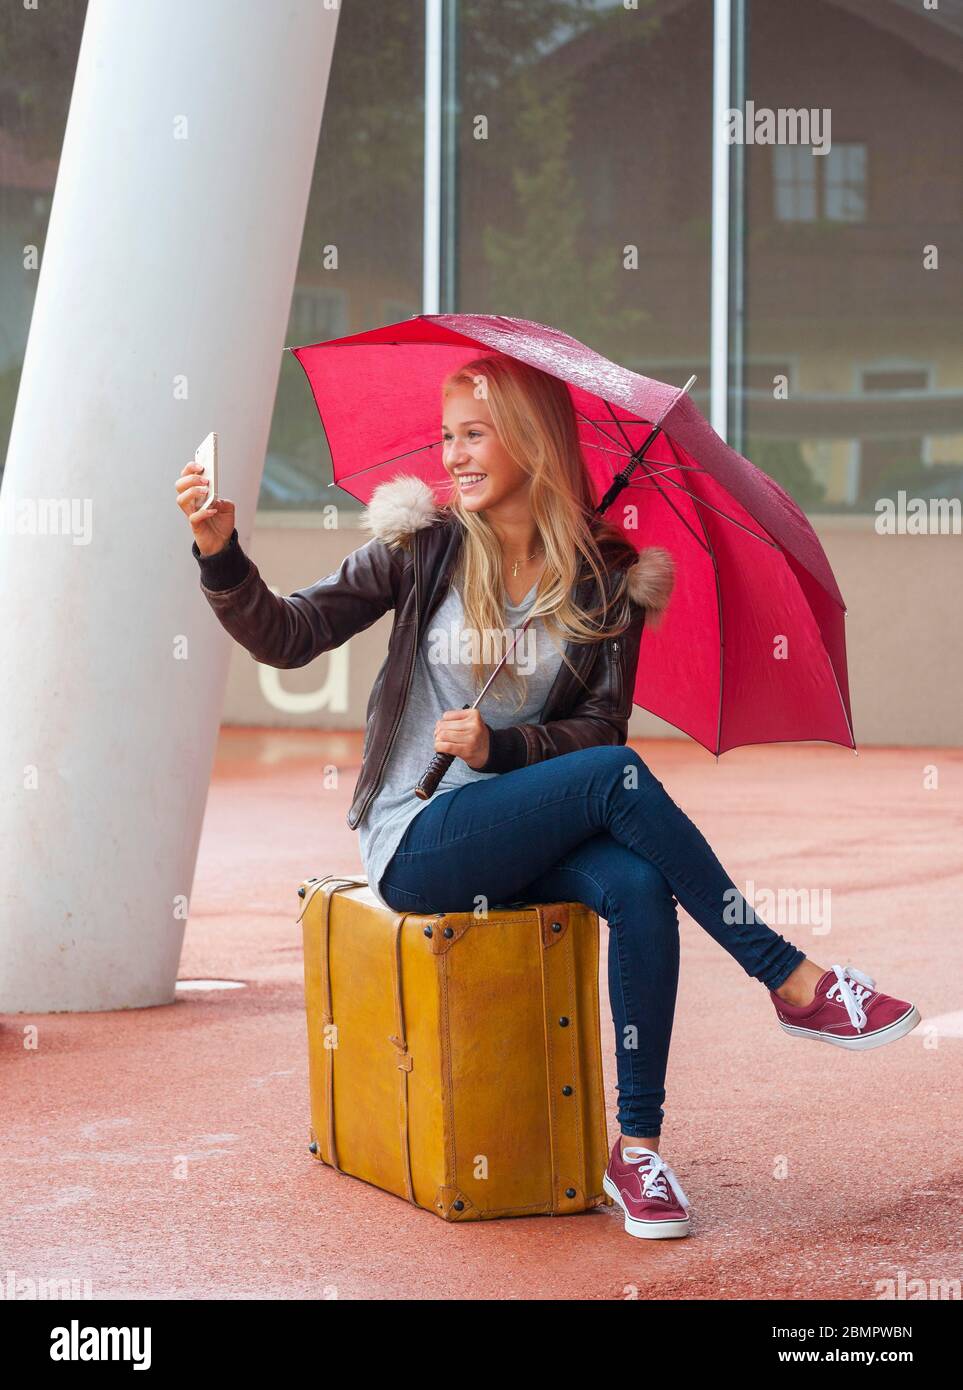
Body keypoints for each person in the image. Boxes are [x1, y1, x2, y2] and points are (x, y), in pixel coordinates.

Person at [175, 354, 920, 1242]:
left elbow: (601, 728)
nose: (452, 454)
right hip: (418, 839)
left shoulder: (607, 577)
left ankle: (635, 1148)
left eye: (473, 434)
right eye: (447, 436)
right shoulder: (422, 546)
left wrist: (504, 745)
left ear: (530, 441)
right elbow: (288, 636)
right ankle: (790, 978)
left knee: (639, 888)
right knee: (617, 785)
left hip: (523, 831)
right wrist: (220, 554)